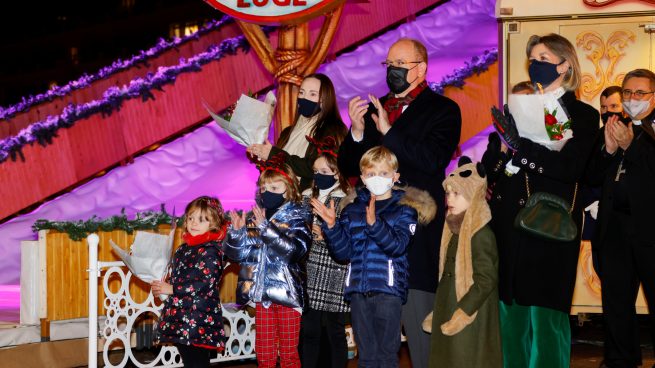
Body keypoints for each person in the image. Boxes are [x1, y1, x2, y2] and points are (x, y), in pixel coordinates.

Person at [337, 37, 461, 368]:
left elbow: (432, 160)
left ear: (420, 69)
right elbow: (351, 167)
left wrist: (389, 130)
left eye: (399, 65)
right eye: (388, 65)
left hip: (416, 231)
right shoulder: (378, 106)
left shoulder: (443, 109)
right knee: (373, 338)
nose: (392, 71)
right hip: (371, 243)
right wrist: (358, 131)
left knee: (420, 322)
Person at [482, 33, 599, 368]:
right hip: (509, 227)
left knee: (547, 322)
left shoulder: (582, 115)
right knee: (511, 321)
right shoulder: (517, 107)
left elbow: (569, 168)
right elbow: (495, 166)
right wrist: (502, 155)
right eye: (532, 57)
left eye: (545, 58)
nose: (536, 64)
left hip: (549, 226)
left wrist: (524, 148)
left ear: (565, 65)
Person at [312, 146, 436, 368]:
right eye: (371, 174)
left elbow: (398, 246)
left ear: (395, 176)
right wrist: (331, 227)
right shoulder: (352, 210)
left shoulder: (405, 210)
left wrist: (375, 225)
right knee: (367, 355)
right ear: (362, 178)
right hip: (359, 291)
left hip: (388, 291)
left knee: (387, 355)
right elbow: (344, 253)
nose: (377, 178)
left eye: (384, 173)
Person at [585, 68, 655, 368]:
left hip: (650, 229)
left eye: (640, 93)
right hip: (614, 228)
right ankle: (619, 359)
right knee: (615, 301)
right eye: (627, 93)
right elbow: (590, 177)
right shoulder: (613, 125)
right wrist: (608, 151)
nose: (632, 99)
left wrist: (630, 146)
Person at [224, 155, 312, 368]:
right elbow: (238, 256)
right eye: (264, 187)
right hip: (261, 295)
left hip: (287, 296)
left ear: (289, 187)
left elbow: (294, 251)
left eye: (274, 186)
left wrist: (265, 228)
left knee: (289, 355)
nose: (267, 192)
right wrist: (236, 234)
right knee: (264, 354)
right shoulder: (255, 216)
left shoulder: (298, 216)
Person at [427, 156, 501, 368]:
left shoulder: (481, 234)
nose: (449, 199)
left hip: (471, 315)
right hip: (449, 308)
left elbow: (486, 280)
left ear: (474, 195)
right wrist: (439, 311)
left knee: (465, 359)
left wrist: (463, 312)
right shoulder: (452, 230)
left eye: (456, 193)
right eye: (448, 193)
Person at [152, 196, 228, 368]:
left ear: (213, 223)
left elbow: (205, 282)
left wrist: (172, 288)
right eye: (191, 218)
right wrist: (162, 288)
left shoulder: (212, 250)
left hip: (200, 317)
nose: (194, 223)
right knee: (189, 359)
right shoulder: (182, 249)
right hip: (181, 315)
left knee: (197, 361)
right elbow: (176, 277)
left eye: (201, 219)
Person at [300, 136, 352, 368]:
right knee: (309, 331)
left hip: (334, 272)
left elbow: (347, 238)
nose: (318, 174)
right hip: (309, 271)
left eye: (324, 170)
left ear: (337, 173)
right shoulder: (305, 198)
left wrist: (324, 235)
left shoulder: (345, 200)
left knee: (335, 332)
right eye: (315, 170)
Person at [248, 73, 348, 191]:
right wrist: (262, 157)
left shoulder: (333, 129)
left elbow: (315, 168)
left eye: (312, 94)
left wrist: (273, 154)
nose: (304, 98)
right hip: (284, 200)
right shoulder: (287, 132)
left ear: (324, 99)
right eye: (301, 92)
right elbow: (279, 172)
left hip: (310, 201)